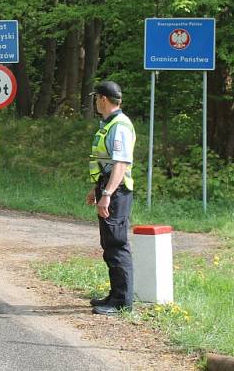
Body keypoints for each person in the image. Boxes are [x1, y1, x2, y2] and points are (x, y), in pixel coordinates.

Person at [85, 80, 136, 315]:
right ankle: (115, 295)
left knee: (116, 245)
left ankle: (122, 301)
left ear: (103, 99)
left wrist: (106, 194)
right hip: (107, 188)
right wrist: (96, 190)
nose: (96, 102)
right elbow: (104, 162)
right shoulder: (110, 124)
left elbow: (121, 163)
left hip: (115, 192)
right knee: (109, 244)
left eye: (96, 98)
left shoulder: (120, 126)